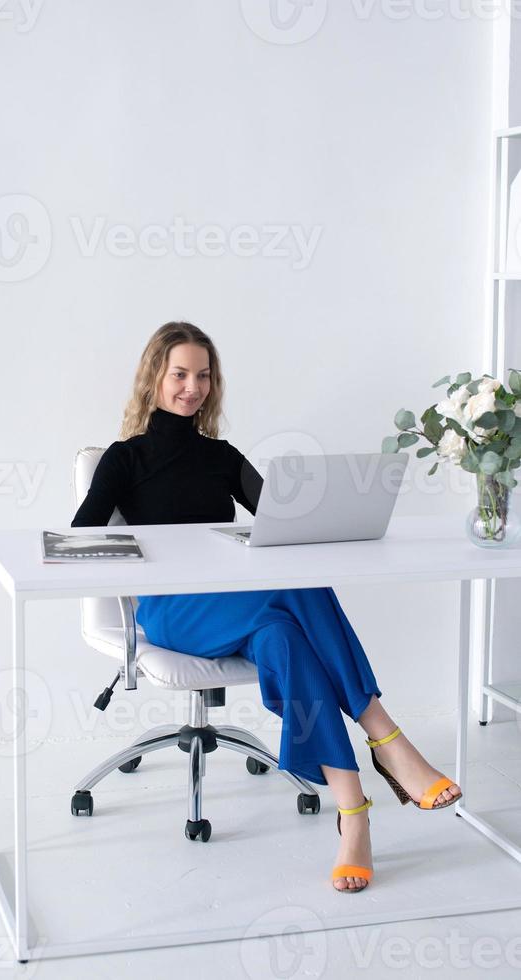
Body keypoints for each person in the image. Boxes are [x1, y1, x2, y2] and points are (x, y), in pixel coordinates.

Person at [72, 321, 462, 893]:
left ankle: (353, 816)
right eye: (179, 374)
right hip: (173, 611)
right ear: (154, 376)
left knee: (286, 633)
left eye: (203, 375)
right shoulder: (122, 459)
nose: (192, 387)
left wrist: (334, 513)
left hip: (242, 605)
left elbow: (286, 519)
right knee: (298, 590)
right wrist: (150, 555)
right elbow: (82, 536)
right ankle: (387, 738)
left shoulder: (222, 456)